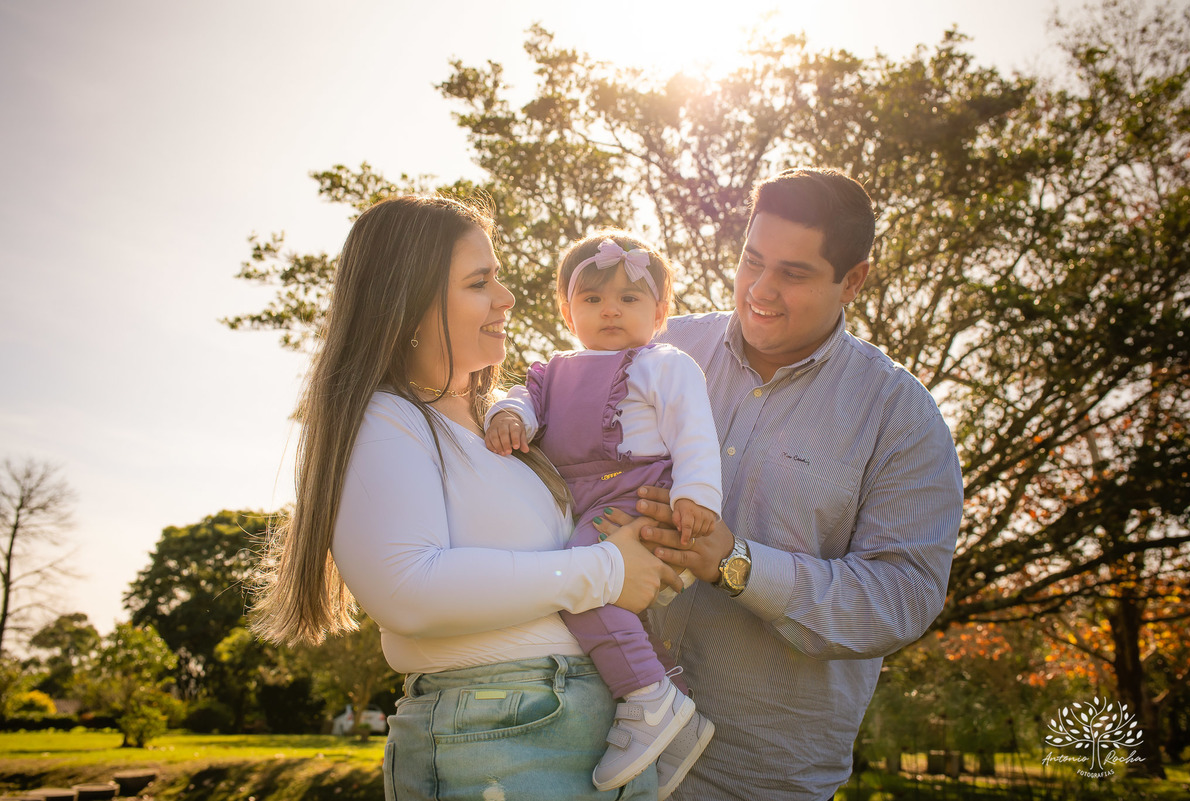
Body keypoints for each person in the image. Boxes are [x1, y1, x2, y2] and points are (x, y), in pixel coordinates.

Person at [250, 195, 681, 800]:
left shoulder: (508, 425)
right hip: (497, 734)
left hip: (594, 718)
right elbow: (408, 589)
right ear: (410, 307)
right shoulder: (388, 418)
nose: (506, 298)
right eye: (480, 282)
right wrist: (608, 571)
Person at [594, 168, 965, 800]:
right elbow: (564, 442)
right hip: (595, 749)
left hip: (755, 780)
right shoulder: (658, 348)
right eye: (752, 261)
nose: (761, 290)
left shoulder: (900, 416)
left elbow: (905, 596)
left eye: (794, 274)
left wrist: (736, 564)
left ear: (854, 280)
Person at [484, 231, 722, 795]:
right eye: (591, 299)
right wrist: (506, 412)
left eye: (630, 298)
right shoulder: (554, 370)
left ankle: (646, 697)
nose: (610, 309)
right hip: (577, 499)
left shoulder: (664, 363)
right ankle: (674, 702)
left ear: (661, 311)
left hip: (636, 497)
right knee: (596, 593)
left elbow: (695, 432)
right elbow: (522, 397)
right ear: (567, 311)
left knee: (580, 583)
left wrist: (697, 497)